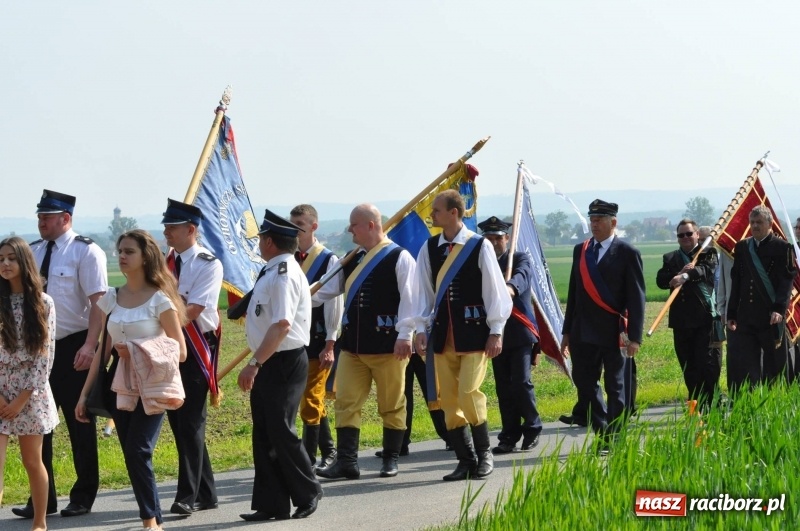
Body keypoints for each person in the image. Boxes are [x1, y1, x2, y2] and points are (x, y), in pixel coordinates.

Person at [75, 229, 187, 531]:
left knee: (139, 449)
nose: (121, 257)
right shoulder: (111, 298)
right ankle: (153, 517)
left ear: (145, 257)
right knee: (131, 452)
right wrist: (84, 396)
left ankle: (150, 521)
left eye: (129, 252)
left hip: (153, 385)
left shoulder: (160, 300)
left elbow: (181, 351)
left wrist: (138, 350)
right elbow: (102, 353)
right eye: (120, 251)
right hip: (119, 385)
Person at [13, 190, 107, 520]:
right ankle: (44, 497)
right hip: (39, 348)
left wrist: (90, 346)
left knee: (79, 421)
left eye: (47, 217)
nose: (41, 222)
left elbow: (99, 303)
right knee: (39, 425)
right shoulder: (34, 252)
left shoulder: (86, 252)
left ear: (65, 219)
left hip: (74, 345)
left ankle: (83, 495)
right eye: (39, 217)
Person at [413, 191, 512, 481]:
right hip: (443, 336)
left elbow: (494, 291)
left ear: (454, 213)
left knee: (468, 392)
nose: (432, 216)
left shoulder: (478, 246)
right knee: (449, 401)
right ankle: (465, 459)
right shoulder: (429, 248)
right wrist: (420, 329)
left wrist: (496, 331)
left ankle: (484, 454)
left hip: (474, 335)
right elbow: (422, 294)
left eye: (437, 211)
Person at [315, 204, 415, 480]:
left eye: (353, 225)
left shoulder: (400, 257)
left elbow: (410, 301)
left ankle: (391, 458)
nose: (349, 230)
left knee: (392, 403)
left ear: (371, 225)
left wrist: (406, 335)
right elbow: (324, 291)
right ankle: (347, 462)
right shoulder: (350, 259)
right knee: (346, 402)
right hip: (354, 347)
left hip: (388, 346)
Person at [237, 209, 323, 521]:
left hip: (282, 360)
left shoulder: (285, 272)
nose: (258, 242)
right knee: (265, 431)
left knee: (282, 430)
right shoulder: (273, 270)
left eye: (261, 237)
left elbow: (283, 324)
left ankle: (308, 492)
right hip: (270, 360)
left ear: (270, 242)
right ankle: (271, 503)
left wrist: (254, 363)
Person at [560, 199, 645, 454]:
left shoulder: (627, 252)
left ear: (613, 222)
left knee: (615, 386)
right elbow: (573, 292)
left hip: (613, 332)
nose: (593, 224)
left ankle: (614, 437)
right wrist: (566, 332)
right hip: (582, 332)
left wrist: (635, 337)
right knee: (584, 383)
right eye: (592, 219)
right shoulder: (581, 250)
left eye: (599, 220)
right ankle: (602, 428)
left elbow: (637, 298)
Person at [161, 199, 222, 516]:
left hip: (196, 344)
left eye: (172, 226)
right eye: (166, 226)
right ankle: (207, 492)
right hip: (168, 345)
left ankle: (188, 494)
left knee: (192, 422)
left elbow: (195, 309)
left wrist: (159, 322)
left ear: (191, 229)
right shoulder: (163, 262)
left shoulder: (208, 263)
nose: (166, 231)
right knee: (179, 421)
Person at [0, 237, 59, 531]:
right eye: (0, 259)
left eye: (11, 258)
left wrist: (22, 397)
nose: (5, 264)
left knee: (32, 461)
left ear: (24, 262)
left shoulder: (43, 303)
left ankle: (39, 522)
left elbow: (44, 357)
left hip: (30, 393)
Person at [476, 216, 543, 455]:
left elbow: (522, 277)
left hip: (519, 332)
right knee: (504, 388)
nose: (493, 243)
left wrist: (509, 287)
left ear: (507, 238)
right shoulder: (482, 262)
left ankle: (533, 427)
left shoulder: (518, 259)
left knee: (521, 382)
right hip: (495, 334)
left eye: (498, 238)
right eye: (489, 238)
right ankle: (509, 435)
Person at [289, 204, 342, 470]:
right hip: (296, 339)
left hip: (319, 339)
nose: (296, 229)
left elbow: (333, 303)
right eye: (293, 224)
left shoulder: (327, 259)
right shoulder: (290, 258)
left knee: (310, 398)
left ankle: (309, 458)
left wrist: (330, 343)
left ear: (313, 226)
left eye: (301, 223)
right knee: (311, 398)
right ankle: (330, 450)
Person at [726, 206, 796, 394]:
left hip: (770, 315)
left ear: (770, 223)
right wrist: (732, 312)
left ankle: (777, 401)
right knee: (747, 366)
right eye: (752, 222)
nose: (755, 226)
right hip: (746, 316)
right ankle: (751, 402)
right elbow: (737, 281)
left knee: (775, 365)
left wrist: (779, 309)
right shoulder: (742, 247)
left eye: (759, 222)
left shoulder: (783, 248)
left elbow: (786, 282)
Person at [656, 219, 720, 411]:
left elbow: (706, 271)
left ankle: (712, 408)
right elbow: (661, 279)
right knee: (688, 368)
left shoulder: (708, 253)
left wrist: (686, 276)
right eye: (681, 235)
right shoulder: (670, 258)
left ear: (697, 235)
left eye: (689, 234)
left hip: (705, 320)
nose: (685, 238)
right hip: (681, 322)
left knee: (707, 367)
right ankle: (695, 409)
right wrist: (676, 276)